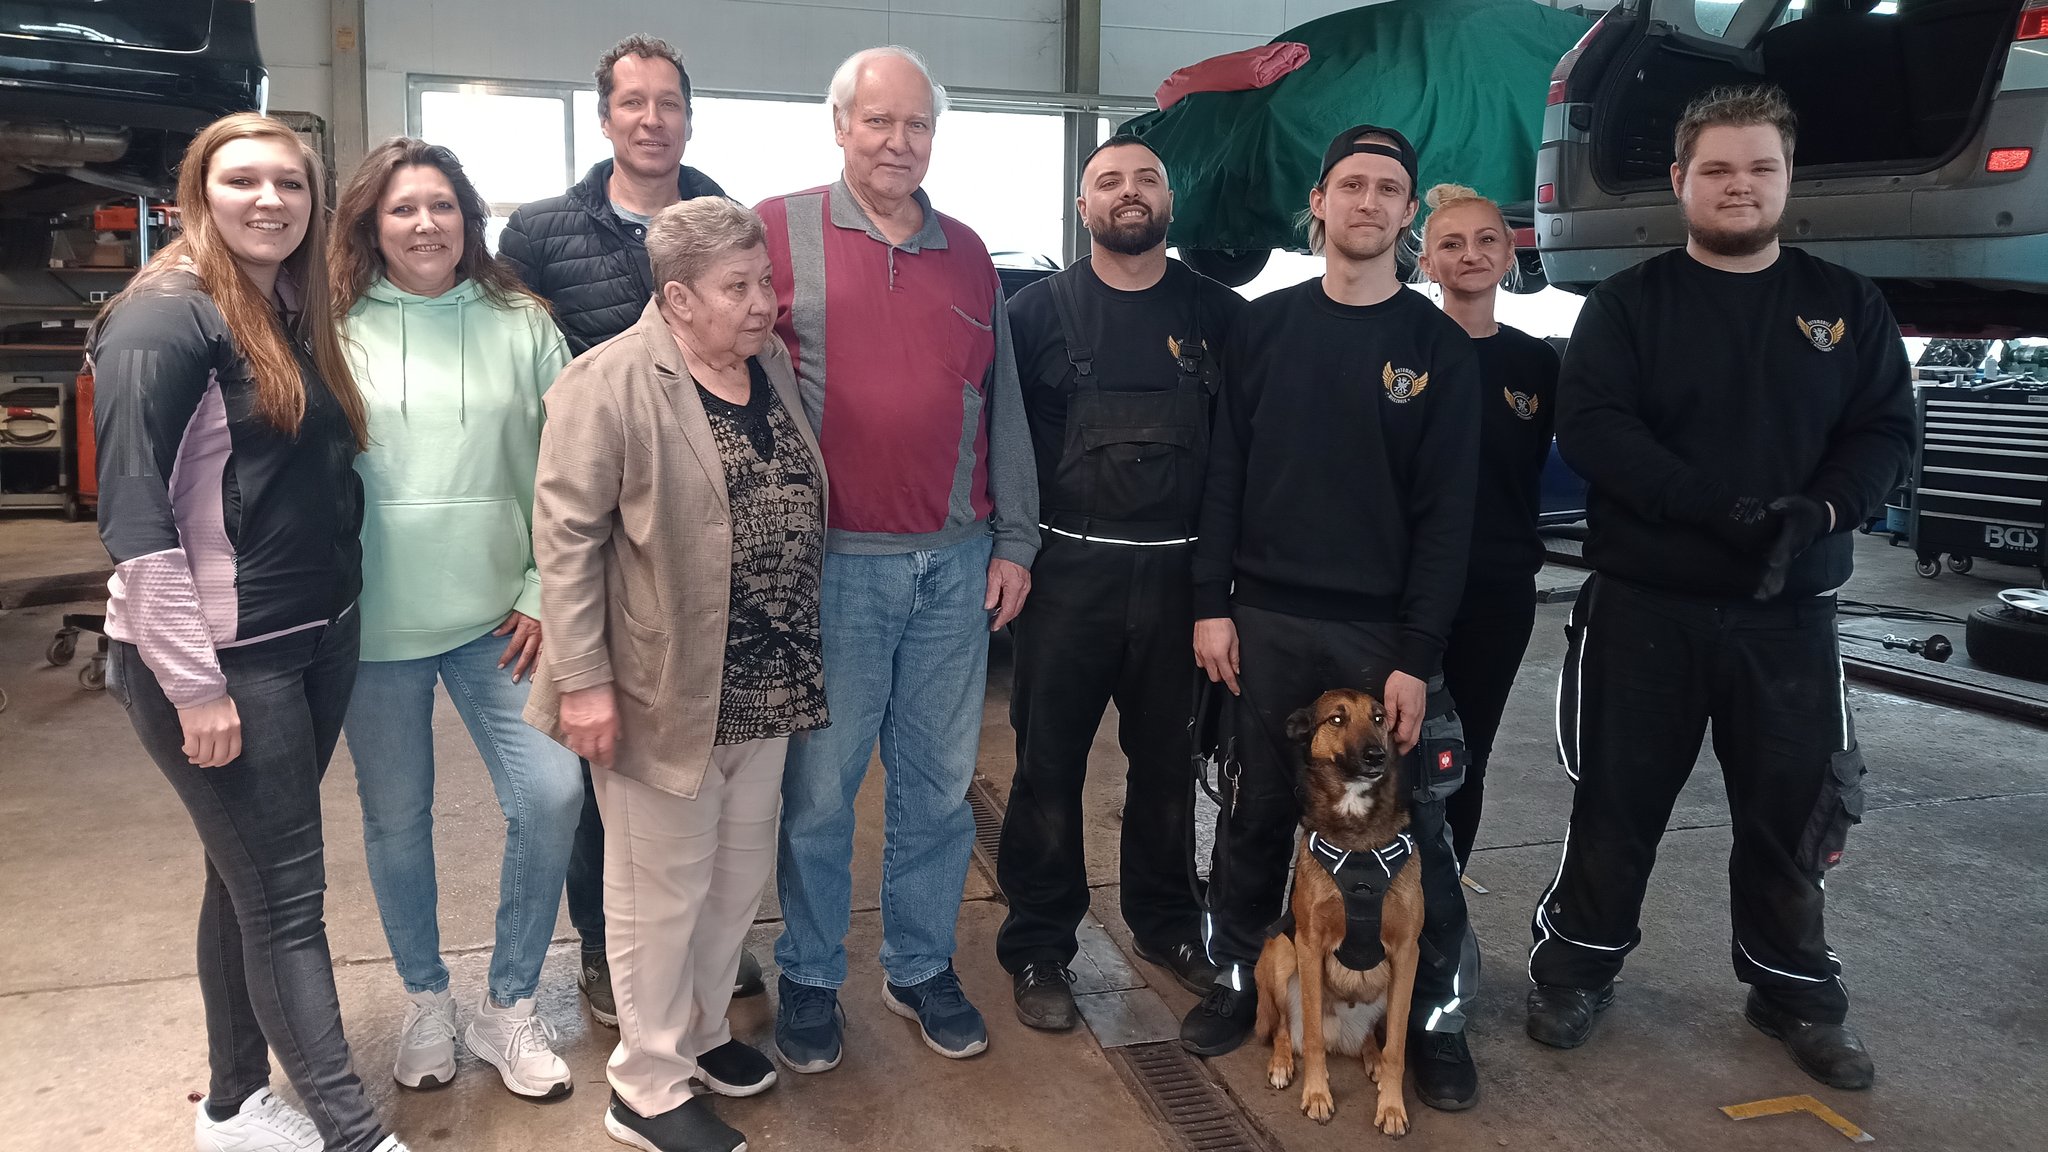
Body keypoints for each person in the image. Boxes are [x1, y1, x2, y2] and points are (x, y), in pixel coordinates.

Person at [1527, 86, 1910, 1091]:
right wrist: (1716, 508)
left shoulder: (1845, 306)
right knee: (1614, 802)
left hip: (1789, 614)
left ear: (1785, 179)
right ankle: (1577, 966)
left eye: (1757, 169)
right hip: (1645, 605)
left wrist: (1818, 514)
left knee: (1790, 816)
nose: (1736, 187)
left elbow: (1882, 434)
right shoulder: (1626, 305)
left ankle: (1790, 988)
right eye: (1716, 170)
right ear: (1679, 183)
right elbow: (1595, 427)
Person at [91, 112, 410, 1152]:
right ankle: (355, 1134)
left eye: (290, 183)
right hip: (226, 660)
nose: (269, 200)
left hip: (311, 637)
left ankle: (233, 1104)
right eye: (243, 181)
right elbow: (133, 520)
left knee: (247, 881)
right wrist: (194, 686)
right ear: (199, 191)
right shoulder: (162, 321)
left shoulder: (279, 305)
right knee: (285, 901)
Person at [1180, 125, 1485, 1114]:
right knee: (1255, 812)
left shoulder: (1435, 348)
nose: (1366, 202)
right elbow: (1222, 476)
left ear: (1406, 215)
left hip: (1375, 638)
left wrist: (1413, 656)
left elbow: (1447, 519)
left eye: (1386, 189)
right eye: (1349, 184)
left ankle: (1430, 1020)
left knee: (1409, 833)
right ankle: (1236, 979)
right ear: (1318, 202)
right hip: (1264, 620)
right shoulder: (1260, 329)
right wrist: (1210, 606)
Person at [525, 196, 829, 1152]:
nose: (762, 304)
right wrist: (582, 682)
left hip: (768, 682)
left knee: (733, 885)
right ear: (677, 298)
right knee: (658, 892)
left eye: (765, 281)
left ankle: (699, 1037)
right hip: (666, 690)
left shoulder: (767, 367)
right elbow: (567, 540)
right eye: (737, 288)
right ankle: (644, 1085)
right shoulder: (608, 382)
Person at [756, 45, 1039, 1070]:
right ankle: (810, 972)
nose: (897, 141)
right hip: (833, 567)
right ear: (838, 126)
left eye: (915, 124)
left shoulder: (966, 251)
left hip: (954, 565)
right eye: (877, 121)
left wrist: (1015, 539)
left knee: (936, 785)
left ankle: (918, 964)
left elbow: (997, 403)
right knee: (821, 792)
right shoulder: (774, 230)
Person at [497, 33, 763, 1021]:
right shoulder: (538, 234)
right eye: (632, 102)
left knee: (701, 763)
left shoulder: (723, 217)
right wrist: (538, 580)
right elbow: (517, 386)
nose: (652, 119)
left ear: (689, 117)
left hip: (697, 538)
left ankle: (700, 954)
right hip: (597, 530)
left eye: (669, 103)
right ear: (603, 116)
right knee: (602, 761)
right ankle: (613, 956)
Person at [329, 138, 582, 1099]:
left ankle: (508, 1006)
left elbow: (569, 470)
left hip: (498, 618)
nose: (425, 224)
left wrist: (542, 591)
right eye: (402, 209)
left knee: (552, 795)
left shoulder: (523, 323)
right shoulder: (334, 327)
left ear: (469, 218)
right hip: (376, 626)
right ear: (371, 224)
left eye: (442, 205)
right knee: (398, 821)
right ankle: (427, 999)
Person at [995, 134, 1241, 1030]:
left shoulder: (1221, 315)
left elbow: (1241, 463)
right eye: (1109, 181)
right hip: (1069, 577)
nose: (1129, 193)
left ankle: (1170, 923)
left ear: (1170, 201)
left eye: (1147, 178)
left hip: (1182, 578)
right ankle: (1038, 945)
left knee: (1171, 768)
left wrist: (1224, 593)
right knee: (1047, 769)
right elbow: (1002, 451)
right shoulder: (1032, 315)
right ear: (1082, 206)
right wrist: (1009, 553)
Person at [1414, 183, 1560, 871]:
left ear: (1509, 257)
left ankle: (1439, 911)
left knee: (1462, 751)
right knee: (1387, 749)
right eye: (1451, 243)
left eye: (1485, 241)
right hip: (1402, 589)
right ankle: (1366, 908)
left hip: (1497, 592)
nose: (1469, 254)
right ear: (1425, 261)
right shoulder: (1398, 346)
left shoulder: (1537, 364)